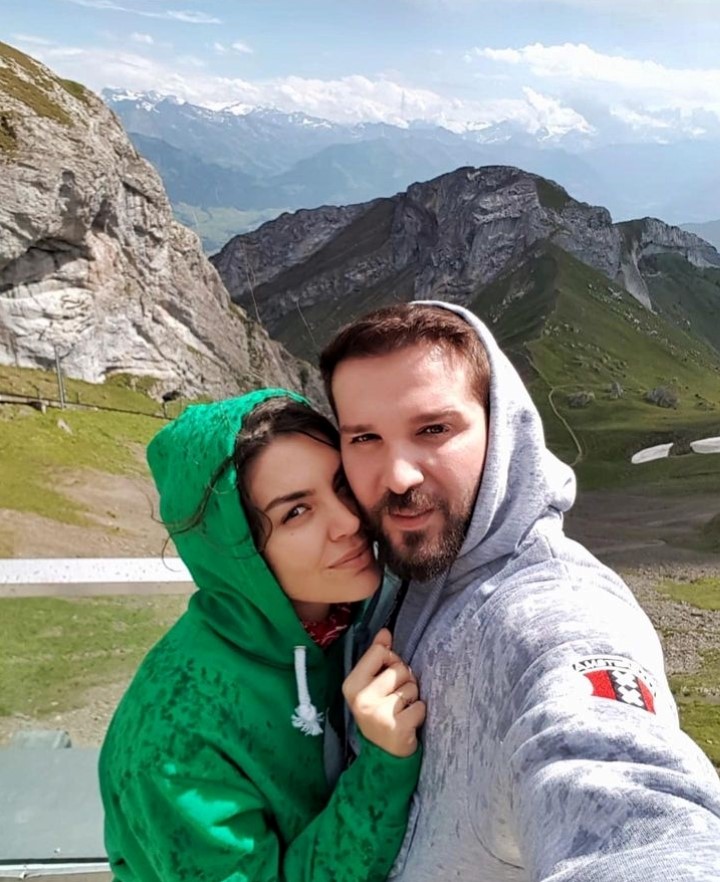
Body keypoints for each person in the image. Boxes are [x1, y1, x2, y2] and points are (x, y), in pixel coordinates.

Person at [319, 302, 720, 881]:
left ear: (502, 430)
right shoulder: (395, 572)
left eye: (434, 429)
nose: (399, 475)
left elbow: (630, 801)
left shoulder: (556, 613)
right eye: (365, 438)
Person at [98, 389, 425, 882]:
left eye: (340, 486)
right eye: (296, 512)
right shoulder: (174, 744)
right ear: (239, 554)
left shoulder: (342, 618)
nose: (349, 522)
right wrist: (382, 769)